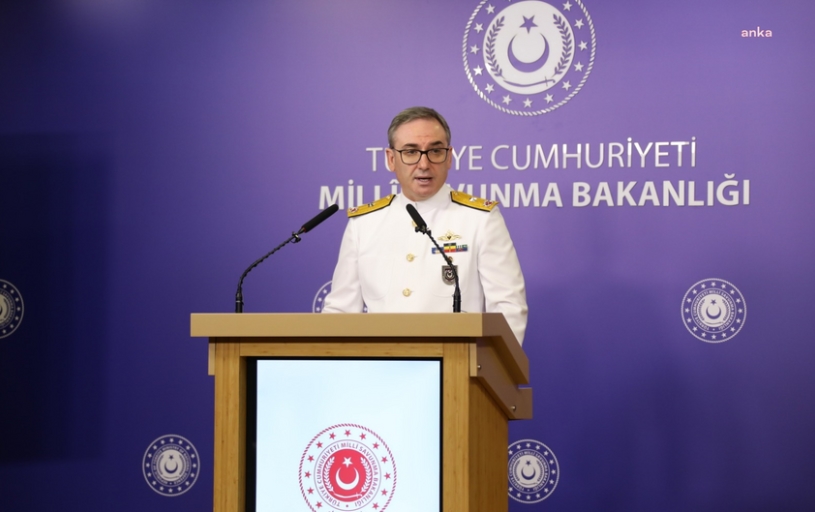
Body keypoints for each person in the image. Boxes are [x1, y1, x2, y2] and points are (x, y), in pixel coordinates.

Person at [322, 106, 528, 345]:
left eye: (435, 151)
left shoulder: (480, 219)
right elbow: (340, 312)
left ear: (449, 157)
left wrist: (483, 366)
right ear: (391, 159)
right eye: (410, 152)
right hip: (381, 364)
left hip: (457, 364)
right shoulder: (364, 224)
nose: (424, 164)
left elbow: (508, 308)